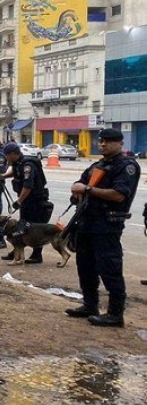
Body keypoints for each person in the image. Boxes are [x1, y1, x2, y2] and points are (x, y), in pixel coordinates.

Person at [66, 128, 139, 327]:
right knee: (85, 267)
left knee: (109, 268)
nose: (104, 144)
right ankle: (90, 305)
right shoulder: (96, 165)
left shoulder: (126, 166)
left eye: (109, 141)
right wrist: (77, 189)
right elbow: (80, 184)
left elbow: (119, 195)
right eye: (101, 141)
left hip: (108, 224)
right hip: (87, 222)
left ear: (120, 143)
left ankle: (115, 314)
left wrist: (88, 189)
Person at [0, 142, 51, 261]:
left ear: (13, 154)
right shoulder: (18, 163)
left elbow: (28, 186)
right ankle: (17, 251)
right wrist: (3, 176)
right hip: (27, 201)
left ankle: (37, 255)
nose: (5, 158)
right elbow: (16, 172)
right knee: (22, 228)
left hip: (35, 201)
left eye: (7, 155)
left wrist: (19, 201)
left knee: (35, 229)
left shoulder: (28, 165)